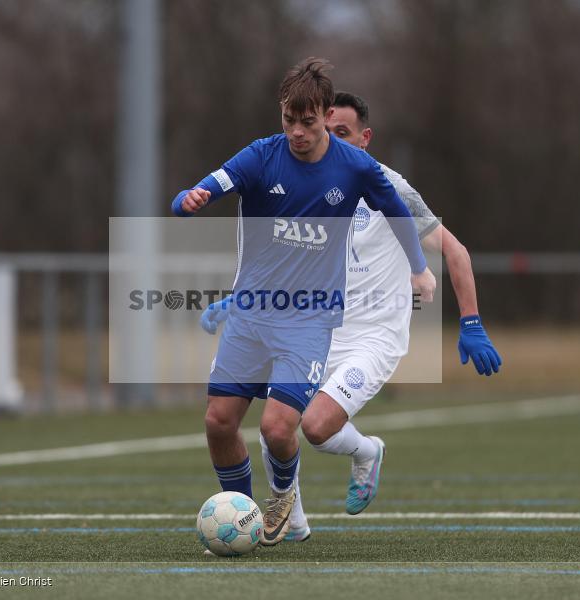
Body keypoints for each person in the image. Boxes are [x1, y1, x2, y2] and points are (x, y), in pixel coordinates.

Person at [201, 91, 501, 541]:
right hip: (314, 325)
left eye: (342, 132)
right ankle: (293, 526)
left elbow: (454, 251)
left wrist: (471, 322)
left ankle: (366, 450)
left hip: (374, 336)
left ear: (364, 138)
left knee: (317, 426)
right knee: (275, 427)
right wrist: (240, 301)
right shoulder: (307, 182)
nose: (328, 139)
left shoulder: (389, 186)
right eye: (326, 129)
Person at [172, 58, 432, 546]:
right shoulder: (262, 156)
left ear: (324, 115)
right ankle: (245, 513)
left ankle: (284, 496)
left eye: (307, 122)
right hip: (251, 317)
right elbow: (215, 183)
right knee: (218, 421)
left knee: (276, 427)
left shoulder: (354, 167)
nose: (297, 132)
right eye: (288, 120)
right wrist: (194, 196)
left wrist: (418, 266)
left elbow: (397, 212)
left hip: (309, 322)